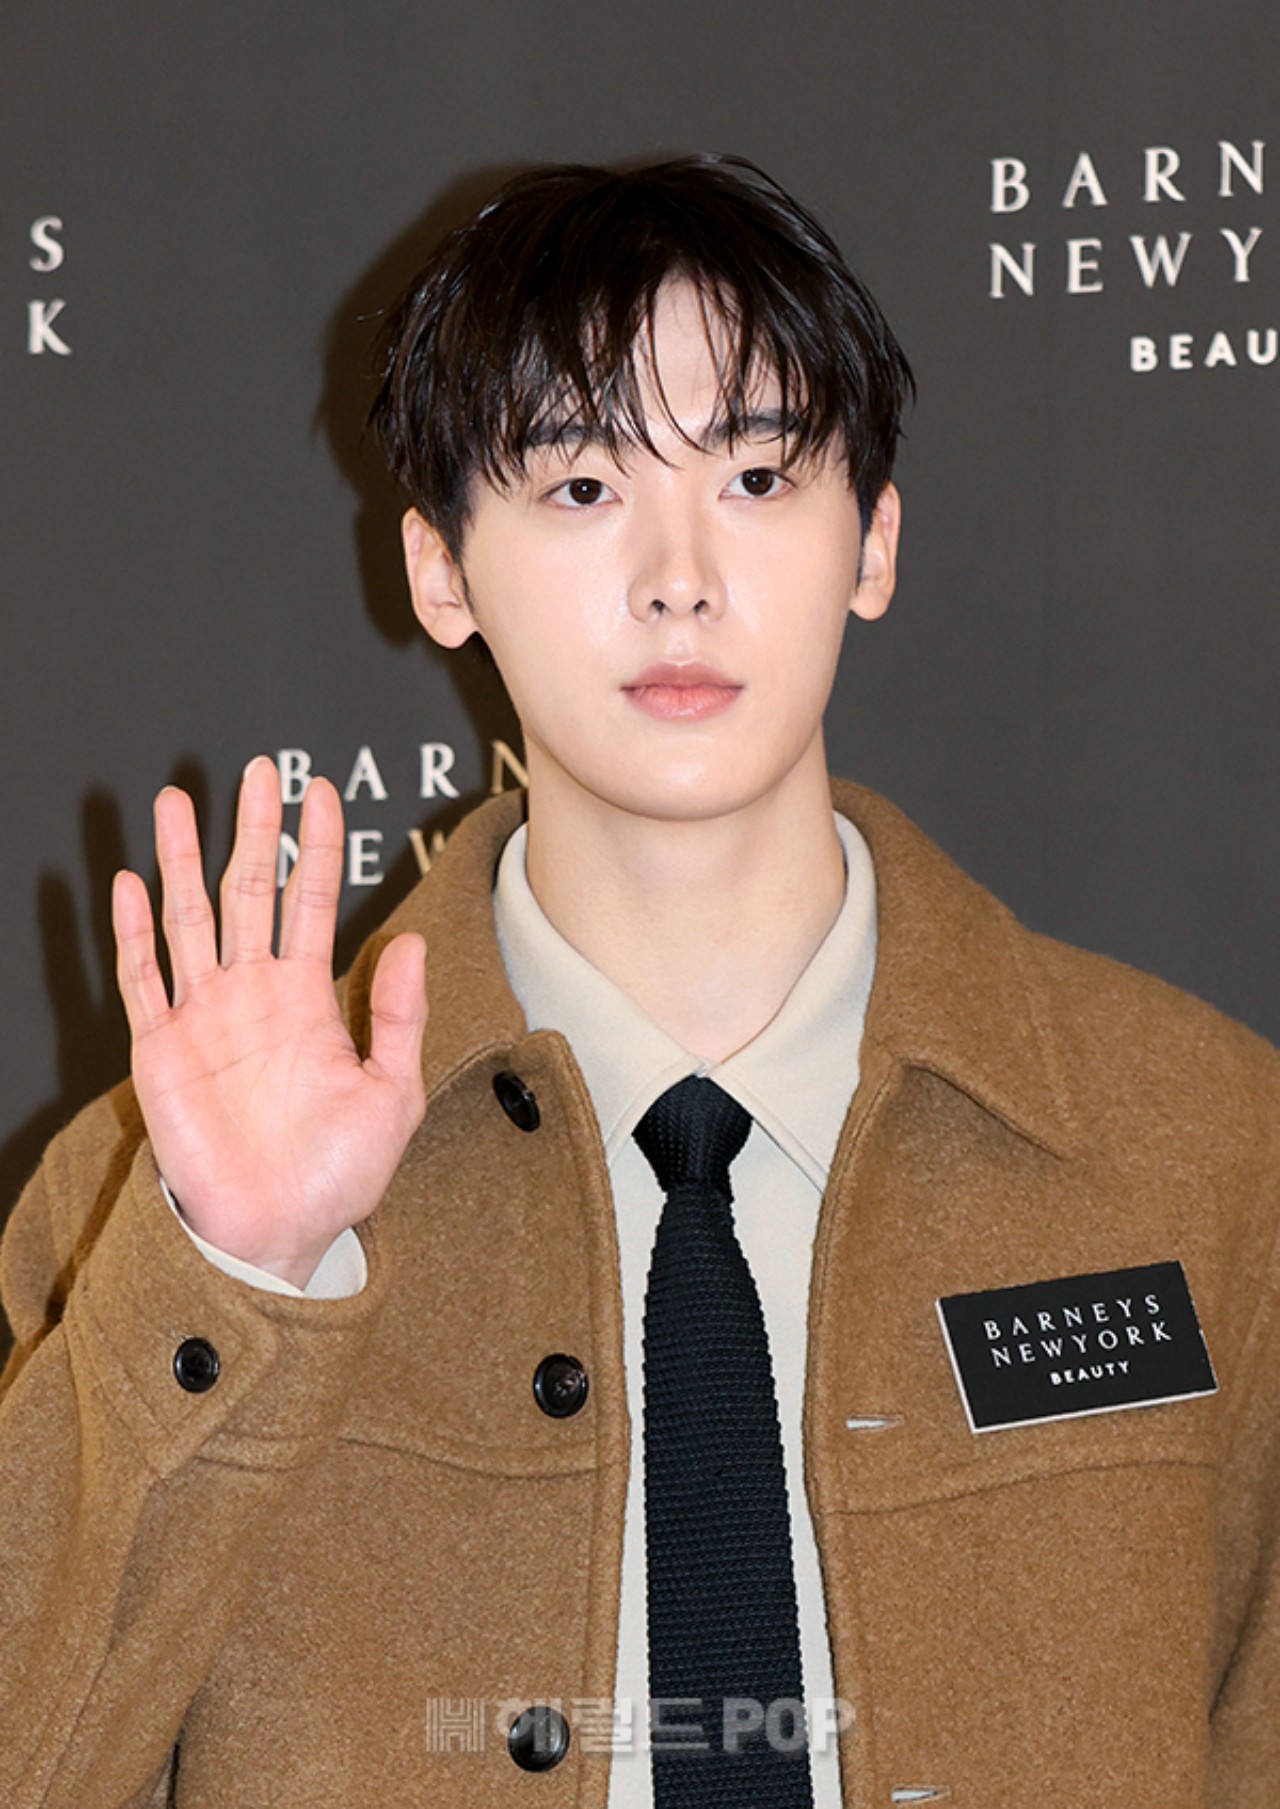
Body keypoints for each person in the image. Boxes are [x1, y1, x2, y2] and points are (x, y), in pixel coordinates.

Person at [1, 156, 1277, 1809]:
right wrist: (230, 1278)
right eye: (584, 484)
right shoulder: (162, 1198)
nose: (680, 572)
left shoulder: (1209, 1147)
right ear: (441, 570)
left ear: (874, 540)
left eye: (756, 474)